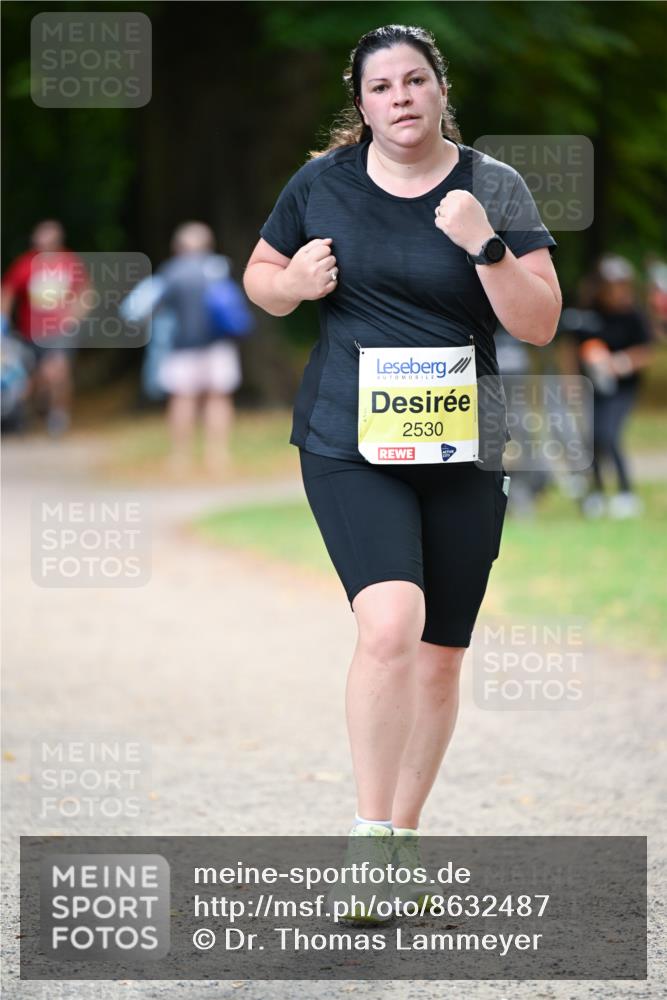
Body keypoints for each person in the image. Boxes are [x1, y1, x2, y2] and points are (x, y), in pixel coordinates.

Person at [244, 24, 560, 921]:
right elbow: (260, 275)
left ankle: (402, 842)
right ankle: (367, 836)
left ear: (439, 89)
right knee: (390, 624)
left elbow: (538, 322)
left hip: (461, 448)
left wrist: (485, 245)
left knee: (440, 654)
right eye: (380, 87)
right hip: (351, 443)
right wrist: (292, 285)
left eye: (414, 80)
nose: (400, 98)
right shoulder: (322, 183)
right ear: (362, 102)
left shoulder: (492, 185)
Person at [563, 254, 653, 518]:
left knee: (609, 436)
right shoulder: (587, 313)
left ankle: (626, 493)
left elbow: (646, 351)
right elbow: (571, 347)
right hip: (594, 388)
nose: (619, 292)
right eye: (613, 286)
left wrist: (620, 362)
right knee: (592, 439)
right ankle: (597, 493)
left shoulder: (634, 315)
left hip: (623, 388)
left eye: (623, 285)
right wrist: (571, 380)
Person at [155, 222, 244, 476]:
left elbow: (152, 307)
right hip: (219, 344)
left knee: (182, 399)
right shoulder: (218, 268)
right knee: (219, 398)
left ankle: (180, 457)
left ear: (177, 247)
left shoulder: (171, 272)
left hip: (182, 346)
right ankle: (218, 455)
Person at [1, 220, 88, 437]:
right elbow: (8, 291)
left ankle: (58, 416)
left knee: (57, 369)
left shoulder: (70, 262)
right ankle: (38, 410)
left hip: (60, 330)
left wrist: (75, 316)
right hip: (30, 332)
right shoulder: (26, 264)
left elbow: (85, 292)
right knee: (36, 378)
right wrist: (3, 320)